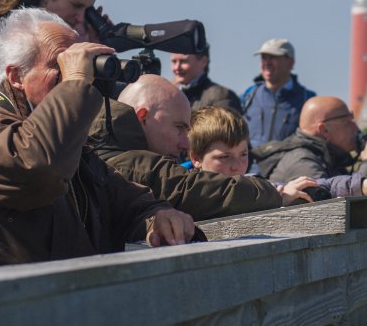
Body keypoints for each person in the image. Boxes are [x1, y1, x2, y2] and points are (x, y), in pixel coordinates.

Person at [0, 8, 193, 272]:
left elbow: (122, 199)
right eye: (59, 65)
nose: (75, 75)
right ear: (16, 77)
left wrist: (157, 216)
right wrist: (77, 82)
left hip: (56, 305)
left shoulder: (72, 148)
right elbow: (41, 165)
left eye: (77, 66)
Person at [88, 74, 287, 221]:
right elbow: (187, 189)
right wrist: (276, 193)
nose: (185, 143)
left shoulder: (102, 149)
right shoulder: (126, 162)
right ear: (142, 117)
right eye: (179, 128)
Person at [189, 106, 367, 199]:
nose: (237, 166)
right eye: (224, 157)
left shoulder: (252, 185)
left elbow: (320, 186)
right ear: (195, 159)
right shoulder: (185, 193)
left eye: (244, 154)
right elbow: (324, 201)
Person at [252, 96, 367, 188]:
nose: (356, 128)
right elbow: (338, 209)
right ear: (324, 130)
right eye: (348, 122)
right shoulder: (301, 161)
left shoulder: (328, 156)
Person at [241, 38, 316, 150]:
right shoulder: (248, 95)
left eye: (273, 58)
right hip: (251, 166)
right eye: (264, 58)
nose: (267, 63)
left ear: (291, 62)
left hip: (288, 166)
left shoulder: (308, 100)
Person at [170, 44, 241, 113]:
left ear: (203, 61)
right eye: (174, 62)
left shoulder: (221, 96)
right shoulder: (169, 95)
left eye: (183, 61)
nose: (177, 67)